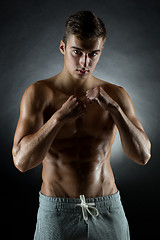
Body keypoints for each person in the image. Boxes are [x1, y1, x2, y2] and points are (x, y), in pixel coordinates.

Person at [12, 10, 151, 240]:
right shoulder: (39, 94)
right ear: (63, 47)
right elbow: (22, 162)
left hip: (108, 208)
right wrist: (58, 119)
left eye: (93, 54)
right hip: (57, 213)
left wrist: (115, 110)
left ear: (101, 51)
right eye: (77, 52)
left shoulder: (116, 95)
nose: (85, 62)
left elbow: (143, 155)